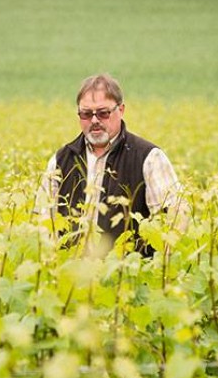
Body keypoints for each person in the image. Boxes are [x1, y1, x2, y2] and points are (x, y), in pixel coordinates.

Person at [37, 73, 187, 256]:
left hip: (131, 271)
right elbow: (44, 222)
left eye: (103, 113)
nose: (94, 120)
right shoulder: (61, 160)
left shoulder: (149, 158)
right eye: (86, 114)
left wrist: (161, 263)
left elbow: (175, 216)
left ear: (121, 110)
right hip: (72, 271)